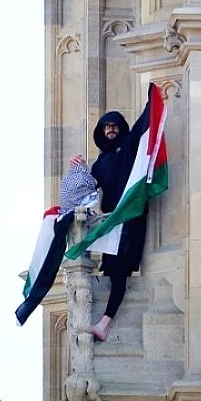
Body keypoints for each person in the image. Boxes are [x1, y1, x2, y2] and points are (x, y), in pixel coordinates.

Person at [70, 111, 149, 341]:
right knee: (112, 268)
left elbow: (140, 127)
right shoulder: (101, 162)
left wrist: (153, 96)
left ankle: (105, 322)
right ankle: (104, 324)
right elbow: (88, 187)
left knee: (119, 271)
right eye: (106, 127)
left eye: (114, 126)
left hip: (130, 217)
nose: (111, 130)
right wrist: (79, 167)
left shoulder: (128, 148)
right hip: (112, 222)